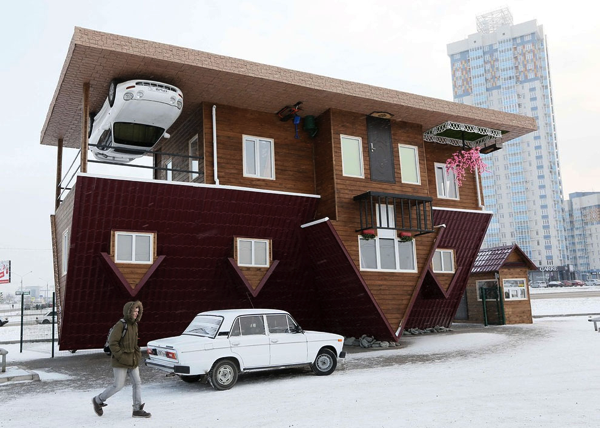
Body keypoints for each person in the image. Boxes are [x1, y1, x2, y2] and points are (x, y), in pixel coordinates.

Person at [92, 301, 151, 418]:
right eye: (134, 311)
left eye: (138, 311)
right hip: (120, 361)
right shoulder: (120, 325)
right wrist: (121, 356)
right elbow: (113, 343)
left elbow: (135, 343)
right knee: (118, 385)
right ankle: (98, 400)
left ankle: (137, 409)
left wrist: (137, 354)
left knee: (137, 383)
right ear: (129, 311)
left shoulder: (135, 325)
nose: (136, 313)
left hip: (132, 360)